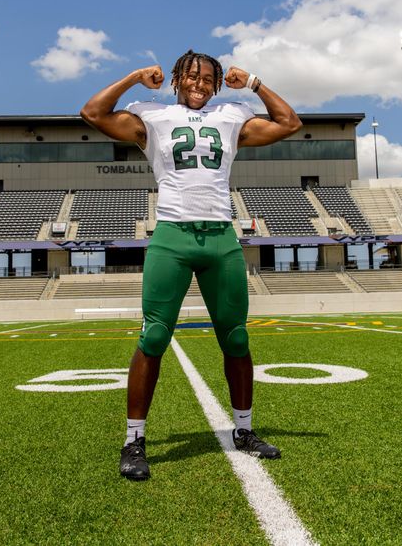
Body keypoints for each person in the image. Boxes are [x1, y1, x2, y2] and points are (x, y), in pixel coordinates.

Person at [80, 50, 302, 481]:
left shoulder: (232, 116)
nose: (199, 85)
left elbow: (289, 123)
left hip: (221, 236)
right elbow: (92, 112)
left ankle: (243, 431)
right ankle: (134, 440)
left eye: (207, 79)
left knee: (236, 338)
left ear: (217, 85)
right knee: (155, 335)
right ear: (176, 79)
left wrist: (254, 83)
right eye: (191, 77)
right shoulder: (153, 116)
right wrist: (133, 76)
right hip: (172, 237)